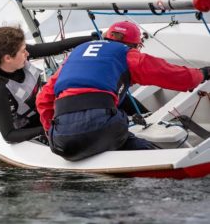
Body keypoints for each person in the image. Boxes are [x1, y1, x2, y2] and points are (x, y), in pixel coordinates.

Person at [36, 20, 210, 161]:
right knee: (130, 136)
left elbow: (43, 99)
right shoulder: (127, 54)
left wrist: (52, 133)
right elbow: (174, 75)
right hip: (104, 128)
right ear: (134, 45)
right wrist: (202, 74)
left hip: (62, 142)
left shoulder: (74, 56)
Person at [0, 25, 100, 143]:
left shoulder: (18, 55)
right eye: (23, 51)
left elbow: (56, 47)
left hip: (47, 105)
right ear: (8, 58)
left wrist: (95, 38)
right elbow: (9, 135)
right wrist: (49, 128)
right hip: (32, 125)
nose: (27, 53)